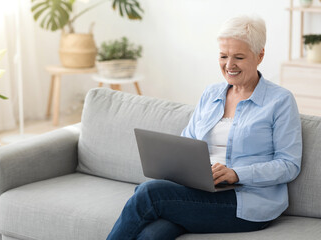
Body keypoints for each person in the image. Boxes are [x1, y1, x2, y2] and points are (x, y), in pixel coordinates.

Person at [106, 15, 302, 240]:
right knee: (151, 235)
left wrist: (236, 174)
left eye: (239, 57)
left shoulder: (280, 101)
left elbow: (289, 165)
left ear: (260, 56)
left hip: (248, 202)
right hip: (202, 191)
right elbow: (187, 142)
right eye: (223, 56)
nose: (229, 65)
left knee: (149, 193)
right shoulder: (211, 94)